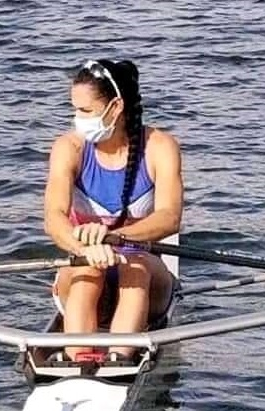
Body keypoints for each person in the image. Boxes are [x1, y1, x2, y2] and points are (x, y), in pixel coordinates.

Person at [43, 59, 183, 363]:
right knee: (86, 270)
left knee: (134, 268)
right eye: (75, 110)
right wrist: (84, 248)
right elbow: (53, 218)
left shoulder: (160, 146)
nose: (78, 120)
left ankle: (119, 360)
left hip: (144, 269)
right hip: (84, 260)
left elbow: (170, 217)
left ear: (116, 107)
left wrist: (112, 237)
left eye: (86, 111)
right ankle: (80, 360)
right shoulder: (68, 148)